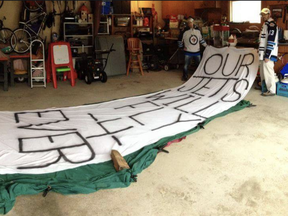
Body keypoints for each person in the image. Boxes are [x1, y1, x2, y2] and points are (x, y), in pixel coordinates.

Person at [259, 8, 279, 96]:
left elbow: (271, 40)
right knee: (263, 71)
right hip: (263, 52)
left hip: (268, 53)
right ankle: (264, 87)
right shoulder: (265, 24)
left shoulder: (271, 25)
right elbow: (263, 39)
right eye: (262, 15)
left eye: (265, 14)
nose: (263, 16)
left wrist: (267, 55)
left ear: (269, 14)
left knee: (268, 71)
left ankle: (271, 90)